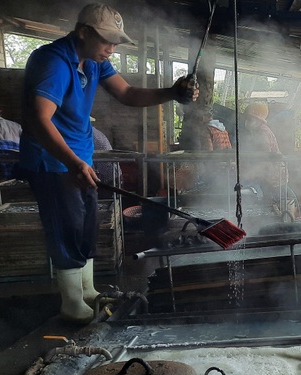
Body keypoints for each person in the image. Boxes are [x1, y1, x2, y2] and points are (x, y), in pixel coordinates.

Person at [19, 2, 198, 324]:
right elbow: (38, 119)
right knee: (66, 226)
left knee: (86, 222)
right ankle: (71, 302)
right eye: (107, 41)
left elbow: (127, 94)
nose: (112, 49)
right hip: (52, 159)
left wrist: (172, 92)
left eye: (116, 42)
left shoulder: (93, 62)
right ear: (83, 32)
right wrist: (73, 162)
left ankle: (86, 290)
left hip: (77, 157)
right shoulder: (53, 61)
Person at [238, 102, 288, 203]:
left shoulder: (262, 132)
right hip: (269, 174)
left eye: (250, 119)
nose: (247, 121)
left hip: (273, 174)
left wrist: (250, 173)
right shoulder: (257, 131)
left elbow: (265, 156)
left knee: (273, 203)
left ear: (257, 119)